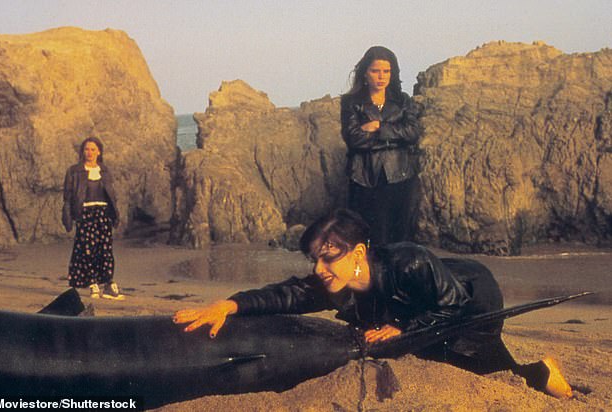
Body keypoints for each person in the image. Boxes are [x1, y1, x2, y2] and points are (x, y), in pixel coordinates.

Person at [173, 209, 573, 399]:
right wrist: (229, 305)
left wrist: (404, 329)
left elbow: (451, 302)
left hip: (470, 298)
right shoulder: (337, 280)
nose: (320, 268)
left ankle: (545, 374)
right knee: (446, 360)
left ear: (359, 252)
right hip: (422, 312)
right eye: (315, 258)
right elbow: (288, 294)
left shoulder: (408, 260)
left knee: (488, 367)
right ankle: (534, 370)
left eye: (329, 257)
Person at [341, 46, 422, 245]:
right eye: (376, 71)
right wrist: (394, 136)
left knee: (401, 239)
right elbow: (353, 138)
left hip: (400, 175)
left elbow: (412, 132)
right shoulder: (351, 102)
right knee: (369, 238)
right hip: (365, 177)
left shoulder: (403, 101)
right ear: (365, 72)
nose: (381, 76)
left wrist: (378, 128)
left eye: (386, 71)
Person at [62, 137, 124, 300]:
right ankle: (92, 283)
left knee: (105, 249)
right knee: (87, 249)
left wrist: (115, 214)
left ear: (99, 152)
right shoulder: (74, 171)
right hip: (85, 213)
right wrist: (68, 218)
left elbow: (112, 195)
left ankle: (108, 283)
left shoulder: (104, 171)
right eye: (86, 149)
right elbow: (67, 197)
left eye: (92, 149)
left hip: (103, 213)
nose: (89, 153)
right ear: (83, 151)